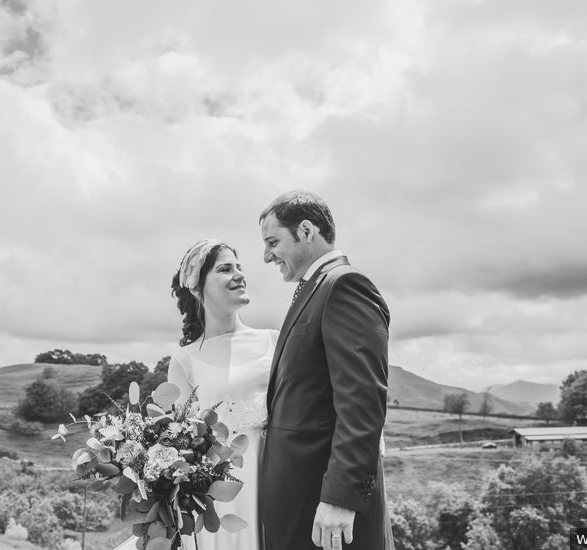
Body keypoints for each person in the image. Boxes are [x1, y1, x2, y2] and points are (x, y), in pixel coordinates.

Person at [114, 239, 275, 550]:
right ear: (198, 288)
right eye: (226, 269)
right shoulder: (185, 360)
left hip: (274, 482)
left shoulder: (275, 341)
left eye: (240, 267)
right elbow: (177, 439)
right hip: (218, 498)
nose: (239, 275)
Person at [258, 191, 393, 550]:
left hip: (326, 512)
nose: (267, 255)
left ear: (305, 230)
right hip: (300, 505)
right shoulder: (314, 289)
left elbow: (362, 402)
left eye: (273, 242)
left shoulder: (344, 286)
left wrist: (340, 498)